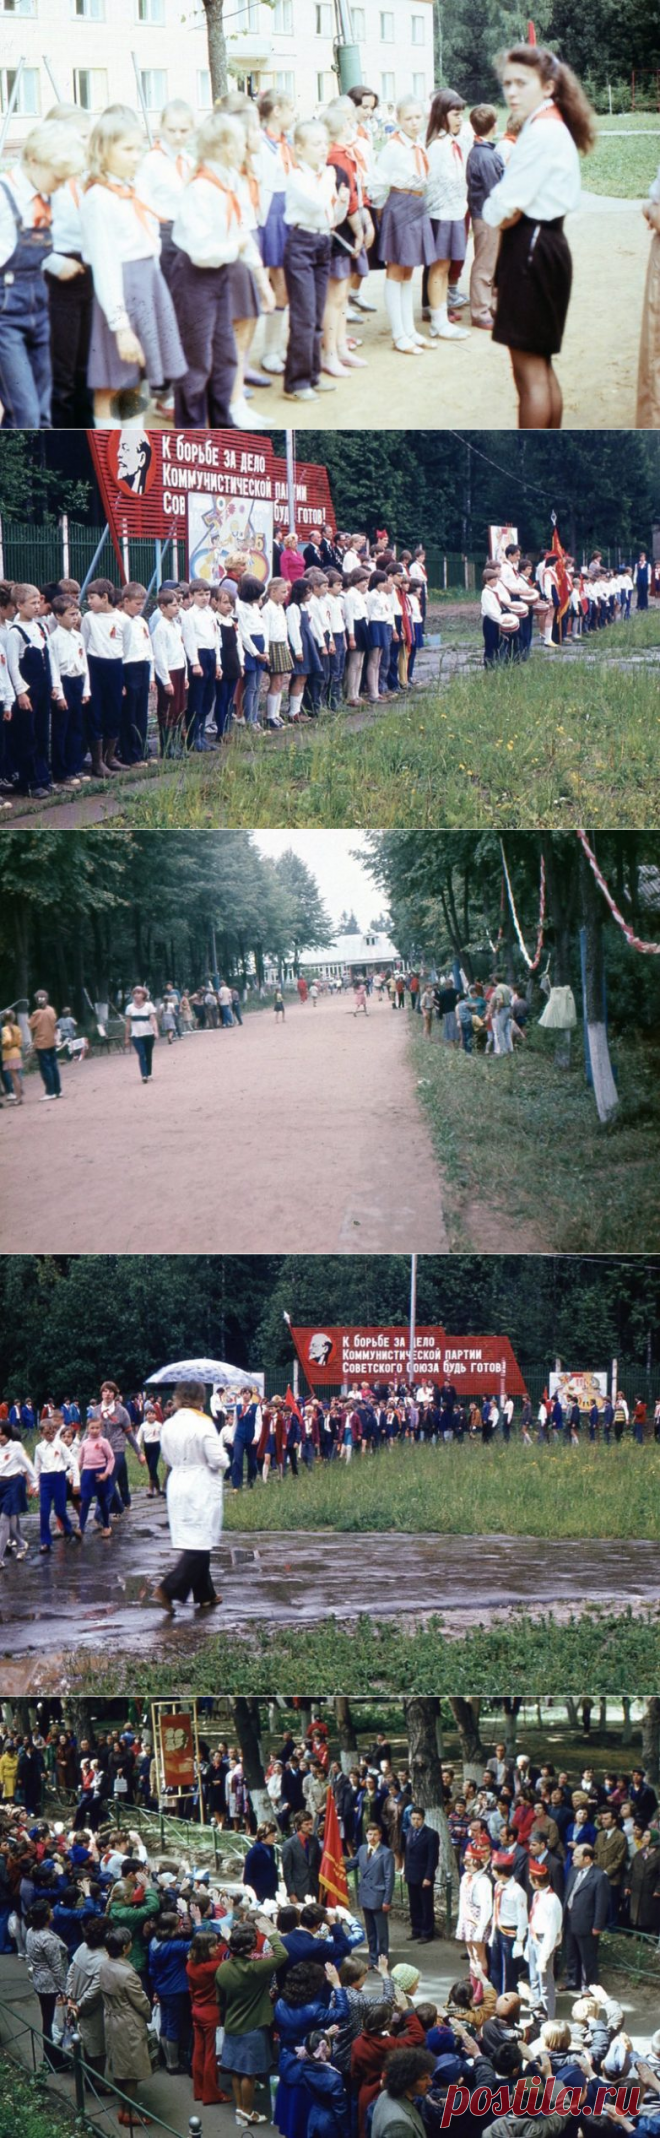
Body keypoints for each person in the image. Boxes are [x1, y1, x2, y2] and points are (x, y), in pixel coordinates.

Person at [482, 45, 596, 427]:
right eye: (507, 84)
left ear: (548, 87)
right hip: (542, 245)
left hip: (532, 247)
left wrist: (501, 209)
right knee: (540, 367)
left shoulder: (542, 131)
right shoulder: (545, 123)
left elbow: (501, 207)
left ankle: (531, 455)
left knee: (529, 375)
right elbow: (508, 207)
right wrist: (505, 210)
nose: (512, 92)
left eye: (522, 83)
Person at [79, 105, 186, 429]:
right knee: (112, 381)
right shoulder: (99, 198)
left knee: (135, 378)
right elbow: (105, 265)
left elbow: (150, 235)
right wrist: (121, 327)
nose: (136, 156)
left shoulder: (134, 187)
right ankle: (109, 453)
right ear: (103, 150)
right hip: (119, 294)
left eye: (139, 149)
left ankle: (133, 451)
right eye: (127, 149)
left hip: (147, 284)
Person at [0, 119, 85, 428]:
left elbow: (33, 249)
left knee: (43, 410)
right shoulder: (4, 198)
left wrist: (54, 263)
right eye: (58, 177)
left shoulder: (43, 194)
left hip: (38, 308)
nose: (60, 186)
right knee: (24, 413)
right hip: (6, 317)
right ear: (34, 161)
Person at [283, 120, 349, 402]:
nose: (323, 149)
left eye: (325, 143)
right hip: (302, 243)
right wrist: (330, 183)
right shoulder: (298, 177)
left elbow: (333, 216)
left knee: (317, 312)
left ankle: (312, 374)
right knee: (304, 315)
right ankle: (296, 383)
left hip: (323, 242)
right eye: (316, 144)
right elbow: (316, 203)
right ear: (299, 148)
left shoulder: (325, 176)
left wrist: (342, 202)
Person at [154, 1376, 229, 1613]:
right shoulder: (204, 1423)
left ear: (177, 1398)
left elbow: (166, 1457)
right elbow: (217, 1459)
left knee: (195, 1538)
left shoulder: (169, 1424)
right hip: (200, 1483)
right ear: (200, 1398)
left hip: (177, 1481)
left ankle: (205, 1593)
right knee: (199, 1542)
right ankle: (169, 1588)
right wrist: (224, 1457)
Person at [372, 97, 435, 355]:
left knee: (409, 271)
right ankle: (398, 334)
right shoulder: (393, 147)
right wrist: (381, 212)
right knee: (396, 270)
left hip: (417, 204)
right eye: (408, 118)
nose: (414, 123)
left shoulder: (418, 143)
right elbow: (378, 181)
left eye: (417, 117)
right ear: (398, 120)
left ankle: (409, 330)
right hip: (400, 204)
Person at [216, 1917, 287, 2124]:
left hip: (232, 2024)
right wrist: (271, 1932)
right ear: (251, 1948)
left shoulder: (223, 1969)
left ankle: (240, 2110)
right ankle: (248, 2112)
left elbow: (220, 2001)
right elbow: (282, 1954)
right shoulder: (256, 1969)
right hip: (253, 2027)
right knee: (249, 2073)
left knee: (236, 2071)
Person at [99, 1925, 153, 2128]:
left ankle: (123, 2108)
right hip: (128, 2023)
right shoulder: (127, 1973)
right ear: (124, 1947)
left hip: (111, 2019)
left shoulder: (104, 1966)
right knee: (131, 2071)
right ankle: (128, 2112)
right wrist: (148, 2016)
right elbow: (141, 2003)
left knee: (119, 2066)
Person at [466, 106, 504, 330]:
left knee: (494, 263)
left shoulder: (484, 151)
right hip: (487, 216)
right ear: (494, 126)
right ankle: (480, 311)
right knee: (485, 264)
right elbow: (494, 191)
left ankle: (492, 306)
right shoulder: (485, 155)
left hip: (489, 215)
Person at [187, 1926, 230, 2106]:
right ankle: (212, 2094)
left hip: (196, 2009)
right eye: (214, 1945)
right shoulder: (212, 1967)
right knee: (211, 2054)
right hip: (210, 2011)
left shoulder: (190, 1964)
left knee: (199, 2051)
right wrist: (229, 1940)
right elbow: (232, 1960)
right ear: (205, 1948)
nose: (217, 1948)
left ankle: (199, 2090)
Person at [25, 1897, 69, 2068]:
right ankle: (54, 2061)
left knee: (48, 2020)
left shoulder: (31, 1932)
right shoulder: (47, 1939)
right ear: (45, 1917)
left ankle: (50, 2058)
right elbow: (56, 1967)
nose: (52, 1912)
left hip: (40, 1981)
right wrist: (65, 1990)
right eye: (49, 1910)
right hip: (51, 1986)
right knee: (54, 2023)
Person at [345, 1823, 395, 1966]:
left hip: (379, 1897)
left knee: (381, 1932)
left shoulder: (386, 1853)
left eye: (375, 1834)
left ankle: (382, 1960)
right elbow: (351, 1865)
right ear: (366, 1835)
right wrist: (334, 1869)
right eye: (370, 1834)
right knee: (371, 1931)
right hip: (366, 1895)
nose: (372, 1837)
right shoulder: (362, 1849)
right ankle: (373, 1959)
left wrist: (387, 1901)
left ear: (380, 1836)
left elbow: (389, 1878)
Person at [563, 1843, 610, 1989]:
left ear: (587, 1858)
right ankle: (572, 1981)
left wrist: (598, 1925)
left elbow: (601, 1903)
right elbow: (568, 1892)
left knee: (587, 1956)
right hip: (570, 1918)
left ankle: (589, 1985)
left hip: (587, 1922)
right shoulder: (573, 1871)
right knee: (571, 1952)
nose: (573, 1859)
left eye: (577, 1856)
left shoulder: (599, 1876)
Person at [370, 2045, 437, 2138]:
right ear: (407, 2080)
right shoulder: (399, 2125)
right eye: (423, 2078)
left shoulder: (385, 2095)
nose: (430, 2082)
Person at [404, 1808, 439, 1944]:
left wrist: (428, 1877)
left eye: (418, 1819)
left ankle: (427, 1932)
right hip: (411, 1874)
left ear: (423, 1819)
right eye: (413, 1819)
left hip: (424, 1876)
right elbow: (407, 1854)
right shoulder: (409, 1832)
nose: (416, 1822)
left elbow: (433, 1858)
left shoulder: (431, 1834)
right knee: (414, 1905)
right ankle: (416, 1930)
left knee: (426, 1906)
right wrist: (405, 1872)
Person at [282, 1813, 323, 1902]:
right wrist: (291, 1893)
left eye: (311, 1824)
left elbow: (319, 1863)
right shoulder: (289, 1845)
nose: (310, 1827)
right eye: (306, 1824)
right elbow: (287, 1872)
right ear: (299, 1825)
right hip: (299, 1889)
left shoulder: (314, 1841)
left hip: (314, 1886)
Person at [124, 985, 159, 1083]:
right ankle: (144, 1075)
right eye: (134, 993)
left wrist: (156, 1031)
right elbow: (128, 1024)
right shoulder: (129, 1008)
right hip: (136, 1035)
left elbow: (153, 1020)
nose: (136, 995)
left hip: (149, 1034)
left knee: (148, 1055)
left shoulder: (149, 1006)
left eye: (138, 993)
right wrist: (126, 1037)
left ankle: (149, 1073)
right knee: (141, 1054)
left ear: (143, 995)